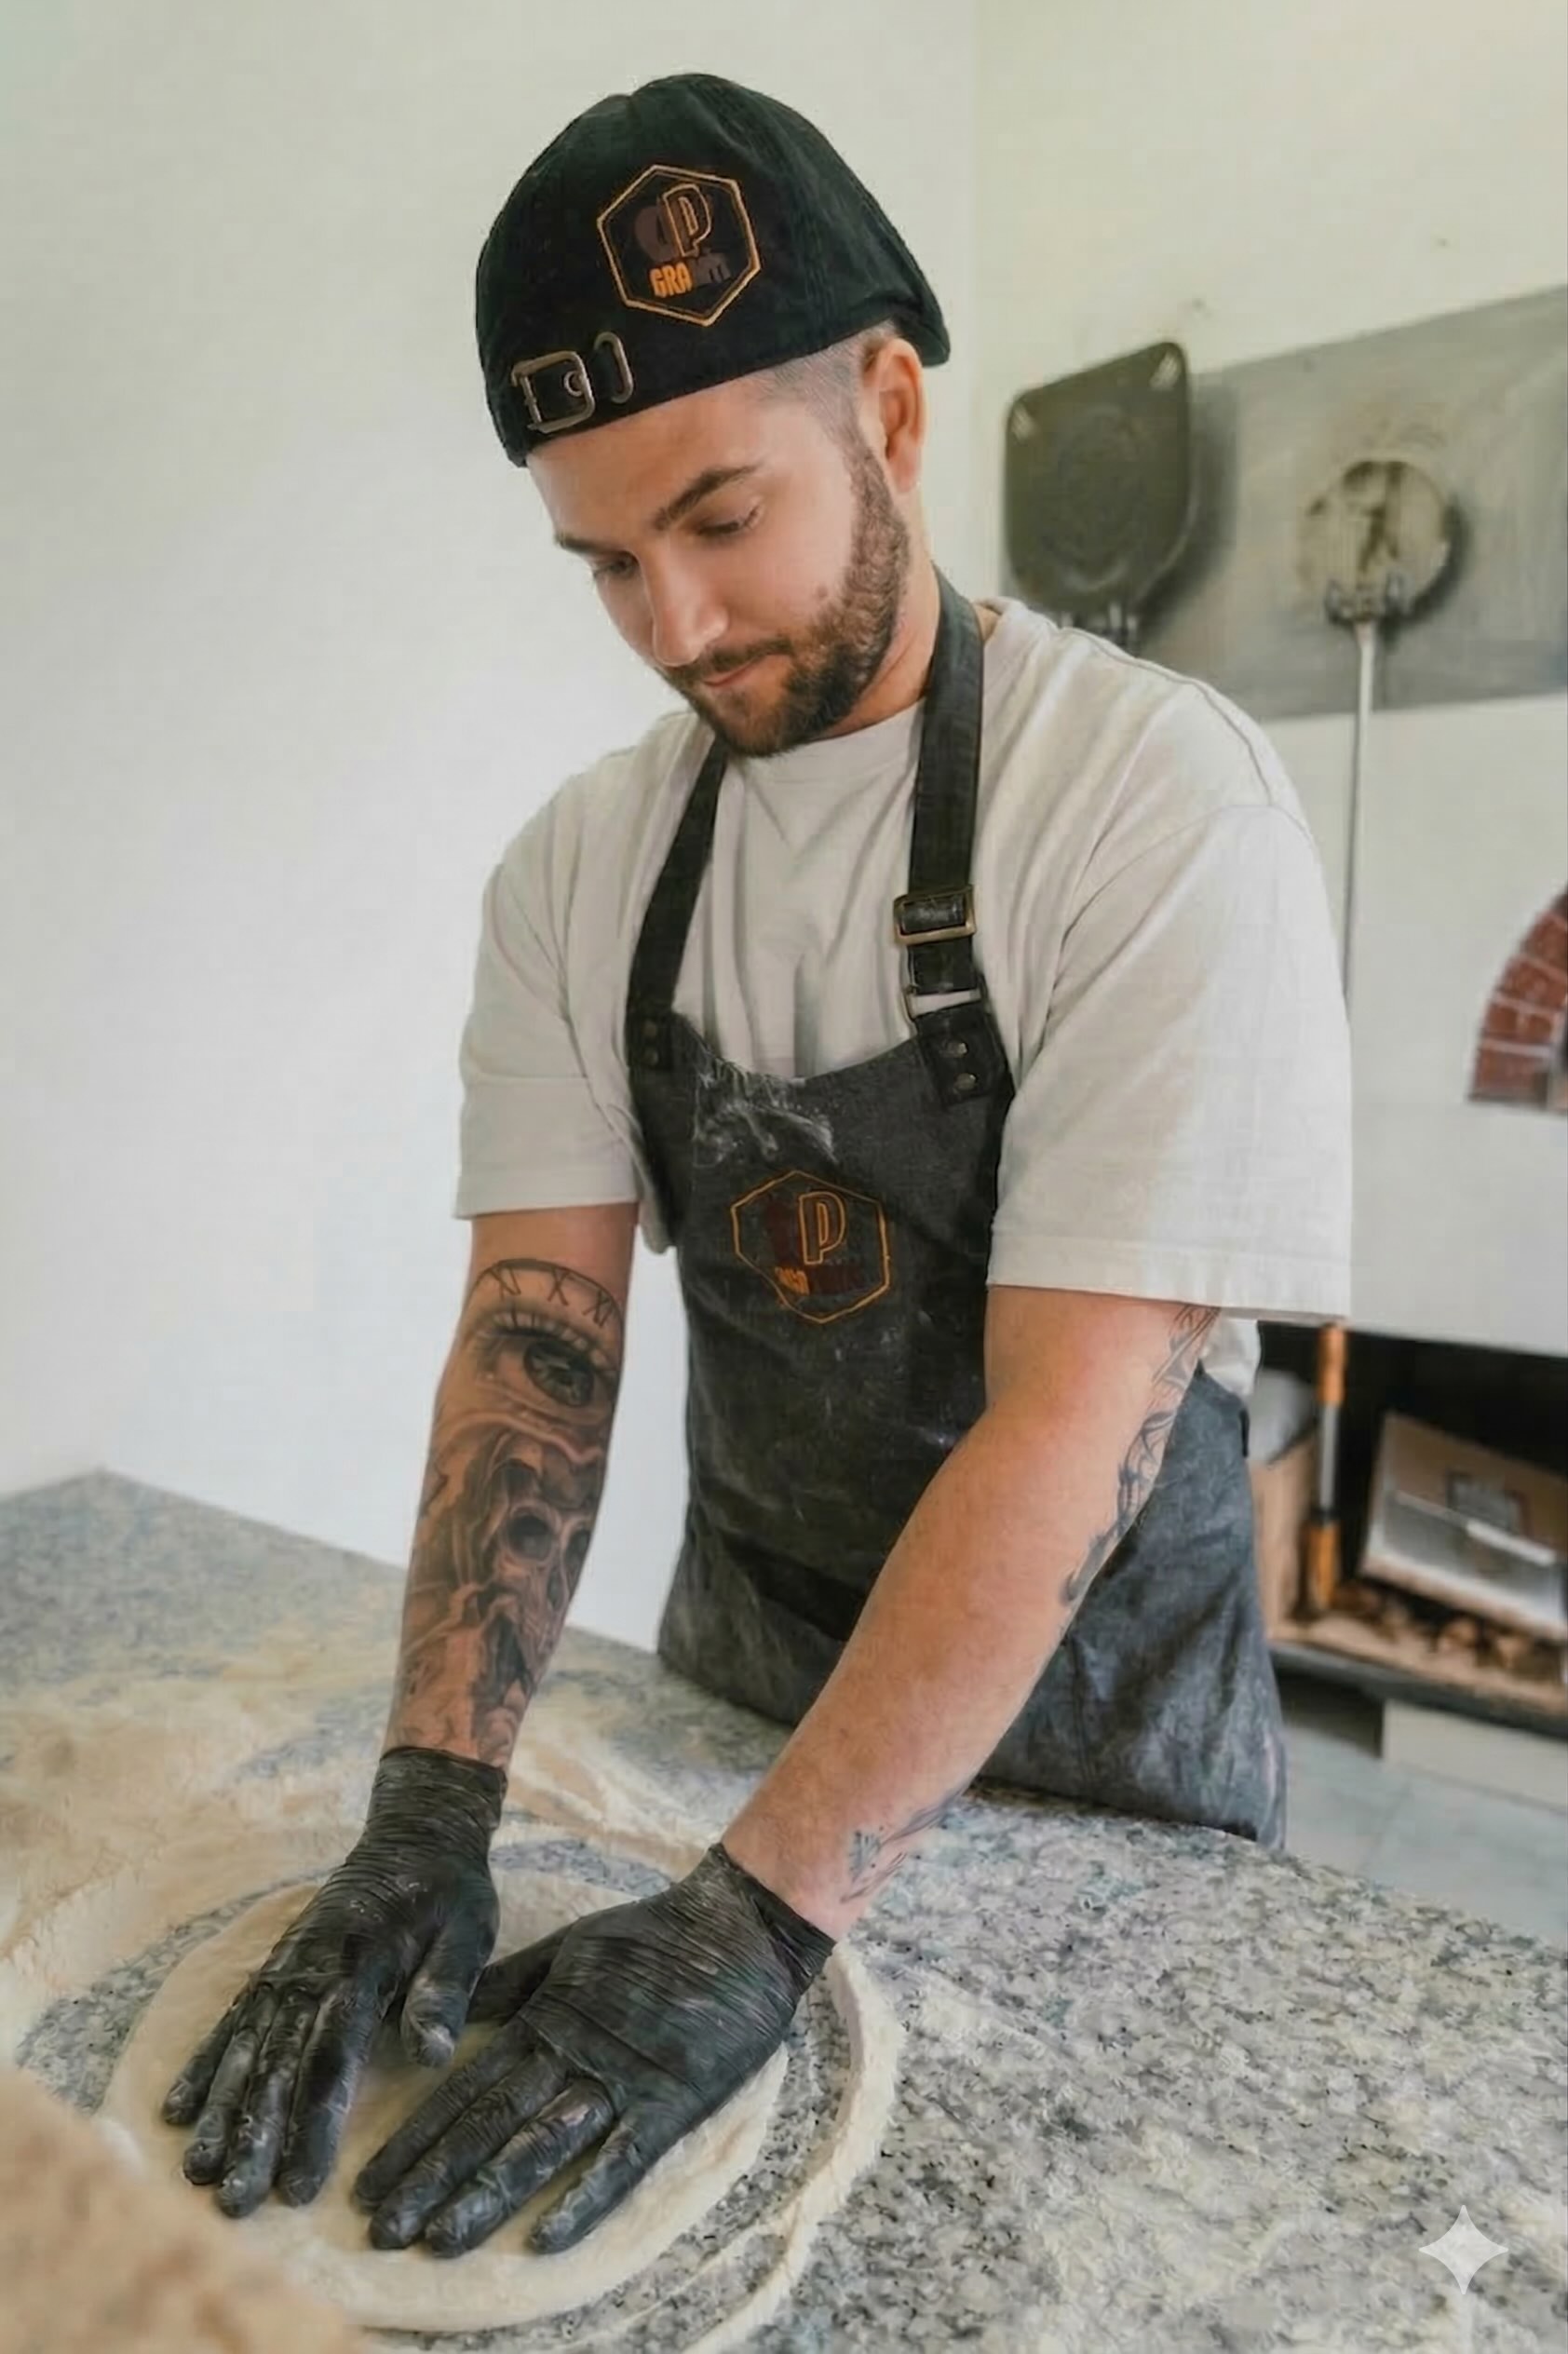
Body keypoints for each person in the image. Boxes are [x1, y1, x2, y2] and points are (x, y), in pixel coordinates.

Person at [164, 71, 1350, 2265]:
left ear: (890, 411)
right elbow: (535, 1347)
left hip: (1104, 1768)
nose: (674, 623)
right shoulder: (585, 867)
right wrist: (428, 1810)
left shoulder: (1152, 809)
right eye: (604, 561)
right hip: (736, 1699)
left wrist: (749, 1932)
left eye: (721, 518)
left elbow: (1072, 1419)